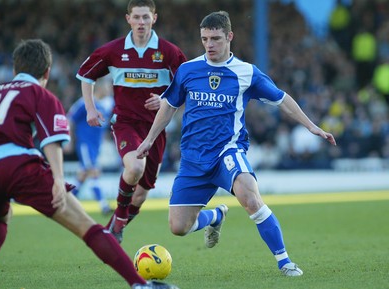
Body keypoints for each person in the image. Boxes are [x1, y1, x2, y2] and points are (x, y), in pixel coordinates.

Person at [137, 11, 337, 277]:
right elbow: (169, 105)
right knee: (179, 227)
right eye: (205, 39)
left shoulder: (246, 73)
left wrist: (311, 125)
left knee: (251, 198)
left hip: (227, 152)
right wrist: (149, 139)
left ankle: (285, 261)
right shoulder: (188, 70)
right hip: (193, 159)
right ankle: (216, 216)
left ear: (229, 37)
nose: (209, 45)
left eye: (216, 39)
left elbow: (282, 98)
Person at [0, 39, 179, 289]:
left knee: (0, 217)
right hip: (19, 166)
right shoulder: (40, 94)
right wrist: (57, 178)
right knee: (87, 227)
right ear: (47, 72)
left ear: (14, 70)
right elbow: (52, 141)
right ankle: (140, 284)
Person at [76, 0, 187, 243]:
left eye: (145, 17)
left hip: (155, 128)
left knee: (141, 195)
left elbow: (186, 88)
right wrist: (90, 109)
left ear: (154, 18)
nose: (141, 22)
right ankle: (116, 225)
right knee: (135, 167)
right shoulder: (113, 51)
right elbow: (85, 75)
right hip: (125, 123)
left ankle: (113, 227)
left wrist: (166, 100)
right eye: (136, 17)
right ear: (128, 19)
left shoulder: (168, 52)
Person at [67, 76, 114, 215]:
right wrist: (69, 140)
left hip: (96, 146)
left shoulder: (107, 103)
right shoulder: (85, 103)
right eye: (107, 86)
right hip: (85, 144)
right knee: (94, 171)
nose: (110, 89)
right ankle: (103, 205)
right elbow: (69, 119)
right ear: (99, 87)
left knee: (82, 175)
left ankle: (68, 202)